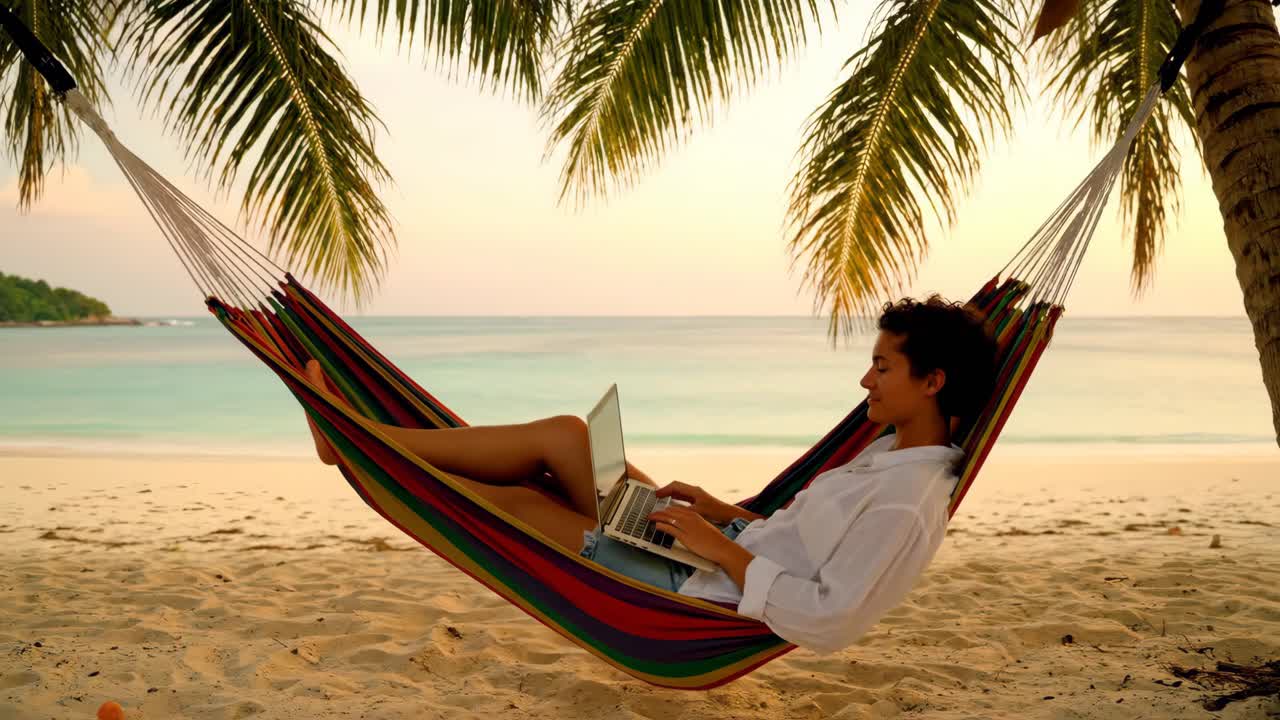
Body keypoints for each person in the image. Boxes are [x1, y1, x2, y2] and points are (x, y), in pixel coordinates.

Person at [303, 294, 998, 655]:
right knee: (568, 437)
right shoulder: (890, 454)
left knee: (513, 504)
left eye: (882, 367)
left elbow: (830, 617)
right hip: (703, 554)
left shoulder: (907, 502)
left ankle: (357, 445)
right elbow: (802, 544)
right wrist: (720, 511)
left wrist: (711, 543)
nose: (864, 380)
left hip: (689, 593)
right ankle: (365, 440)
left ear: (933, 381)